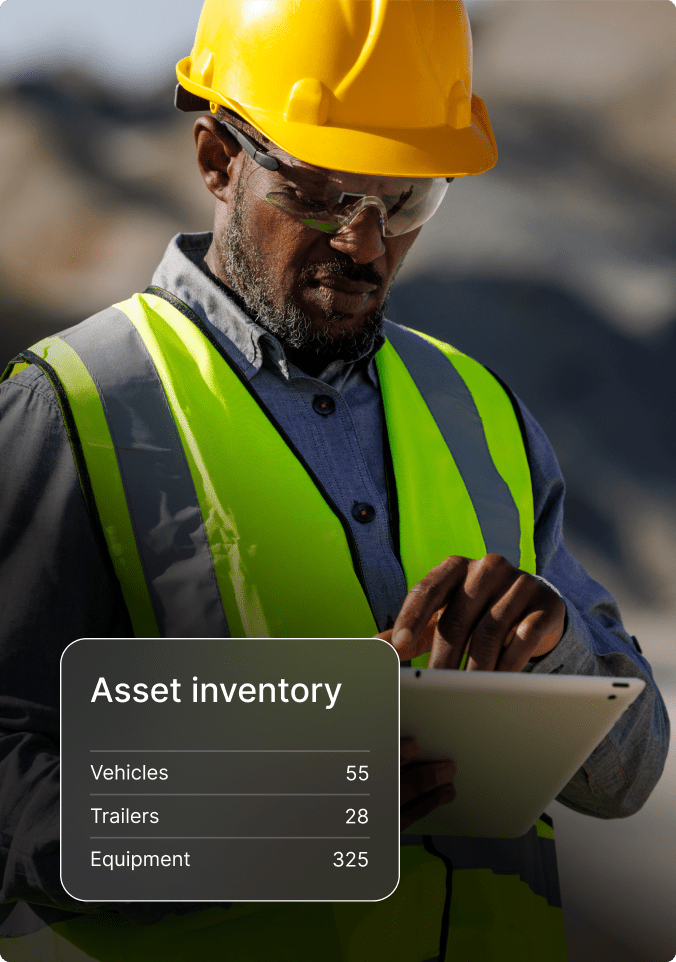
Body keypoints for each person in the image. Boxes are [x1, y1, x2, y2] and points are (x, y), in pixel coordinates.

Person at [0, 1, 669, 960]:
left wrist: (553, 648)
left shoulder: (482, 413)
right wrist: (255, 808)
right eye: (320, 193)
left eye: (405, 202)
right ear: (216, 162)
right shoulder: (69, 413)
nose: (365, 245)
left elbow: (629, 770)